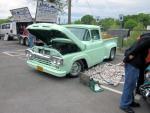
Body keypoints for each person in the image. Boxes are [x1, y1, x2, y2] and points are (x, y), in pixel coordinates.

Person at [120, 35, 150, 113]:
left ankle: (130, 101)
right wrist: (125, 60)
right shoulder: (148, 39)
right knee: (129, 85)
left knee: (132, 85)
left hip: (137, 64)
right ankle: (124, 105)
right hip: (133, 64)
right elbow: (135, 49)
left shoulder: (146, 37)